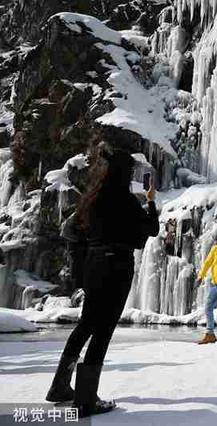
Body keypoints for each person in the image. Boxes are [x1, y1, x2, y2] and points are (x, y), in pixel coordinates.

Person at [45, 144, 159, 417]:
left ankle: (60, 386)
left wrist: (82, 265)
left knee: (86, 324)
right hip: (117, 267)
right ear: (124, 173)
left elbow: (71, 231)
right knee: (103, 329)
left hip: (93, 267)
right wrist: (151, 200)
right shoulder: (128, 202)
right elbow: (149, 231)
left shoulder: (92, 199)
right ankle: (85, 399)